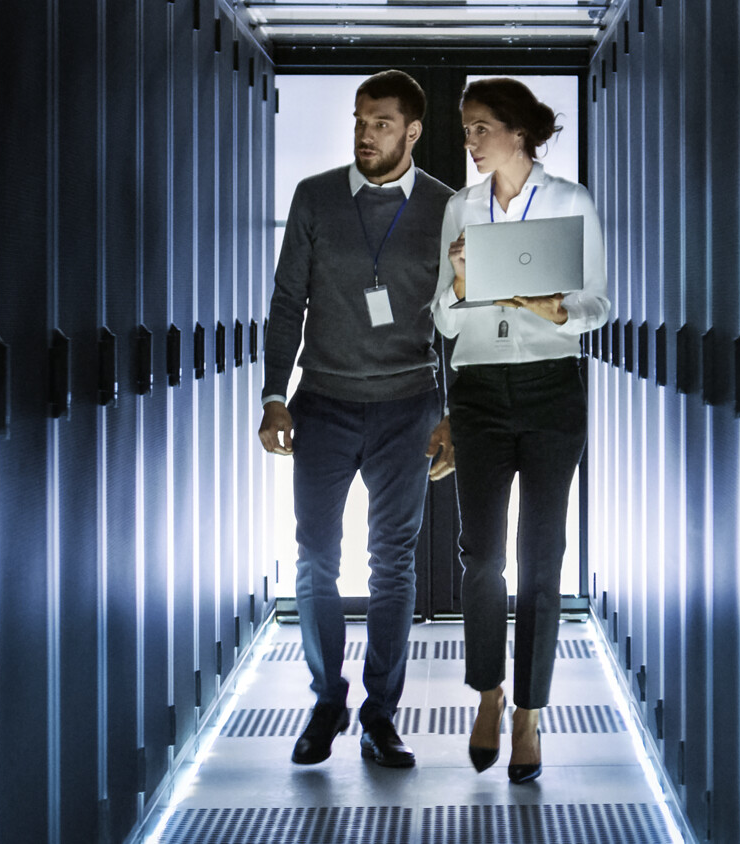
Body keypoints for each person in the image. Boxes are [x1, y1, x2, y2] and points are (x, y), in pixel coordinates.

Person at [259, 70, 456, 769]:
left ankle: (379, 714)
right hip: (325, 402)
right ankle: (325, 699)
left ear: (413, 132)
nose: (365, 134)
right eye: (359, 121)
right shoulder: (314, 198)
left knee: (392, 564)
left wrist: (453, 415)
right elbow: (287, 304)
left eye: (380, 124)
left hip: (408, 406)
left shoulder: (445, 207)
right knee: (314, 557)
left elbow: (461, 321)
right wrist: (273, 395)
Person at [428, 77, 610, 783]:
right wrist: (463, 292)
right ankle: (487, 693)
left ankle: (530, 712)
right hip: (478, 390)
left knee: (541, 557)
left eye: (480, 129)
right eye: (467, 129)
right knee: (481, 556)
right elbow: (442, 320)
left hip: (549, 387)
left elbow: (598, 304)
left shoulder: (569, 202)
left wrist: (552, 306)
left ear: (518, 133)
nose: (470, 142)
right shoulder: (460, 208)